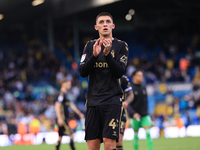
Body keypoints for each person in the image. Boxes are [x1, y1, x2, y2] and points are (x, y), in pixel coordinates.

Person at [79, 12, 129, 150]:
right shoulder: (89, 46)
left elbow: (119, 72)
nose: (105, 24)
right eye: (101, 22)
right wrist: (94, 56)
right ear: (96, 27)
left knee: (109, 143)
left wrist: (107, 55)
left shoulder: (121, 46)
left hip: (112, 100)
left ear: (113, 26)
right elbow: (82, 72)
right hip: (93, 102)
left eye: (108, 21)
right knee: (93, 146)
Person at [55, 78, 84, 150]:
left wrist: (79, 113)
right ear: (63, 84)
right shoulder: (61, 94)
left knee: (60, 137)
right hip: (62, 119)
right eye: (68, 84)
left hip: (64, 118)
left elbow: (71, 105)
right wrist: (59, 118)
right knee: (71, 135)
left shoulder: (65, 94)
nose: (70, 85)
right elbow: (57, 105)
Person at [128, 69, 153, 150]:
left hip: (144, 115)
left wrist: (147, 112)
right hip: (134, 116)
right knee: (135, 136)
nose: (141, 77)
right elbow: (127, 103)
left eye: (142, 75)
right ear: (134, 77)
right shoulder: (130, 88)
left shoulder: (143, 87)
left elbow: (146, 101)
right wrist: (133, 113)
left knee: (148, 133)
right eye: (139, 75)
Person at [116, 75, 134, 150]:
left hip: (120, 112)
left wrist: (126, 102)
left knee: (119, 141)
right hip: (104, 111)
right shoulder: (103, 76)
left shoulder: (123, 79)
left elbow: (131, 94)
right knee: (107, 140)